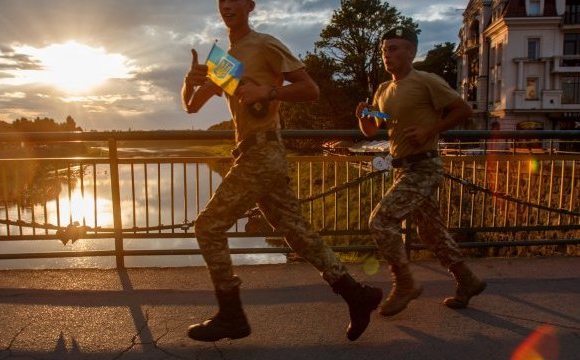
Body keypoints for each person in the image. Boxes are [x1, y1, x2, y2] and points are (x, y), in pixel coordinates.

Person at [181, 0, 382, 342]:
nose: (227, 5)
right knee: (296, 232)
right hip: (252, 152)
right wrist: (189, 81)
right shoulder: (224, 60)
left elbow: (310, 89)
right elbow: (192, 106)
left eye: (235, 0)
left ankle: (231, 315)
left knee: (207, 226)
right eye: (222, 1)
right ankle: (357, 295)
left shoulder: (264, 44)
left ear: (249, 6)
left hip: (263, 151)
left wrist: (268, 90)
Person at [356, 27, 486, 317]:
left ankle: (404, 283)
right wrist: (364, 115)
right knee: (430, 232)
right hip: (402, 169)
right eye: (385, 50)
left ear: (411, 52)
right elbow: (373, 129)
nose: (387, 55)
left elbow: (464, 110)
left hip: (425, 166)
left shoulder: (426, 81)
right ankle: (468, 281)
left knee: (380, 220)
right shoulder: (383, 90)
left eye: (394, 49)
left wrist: (430, 129)